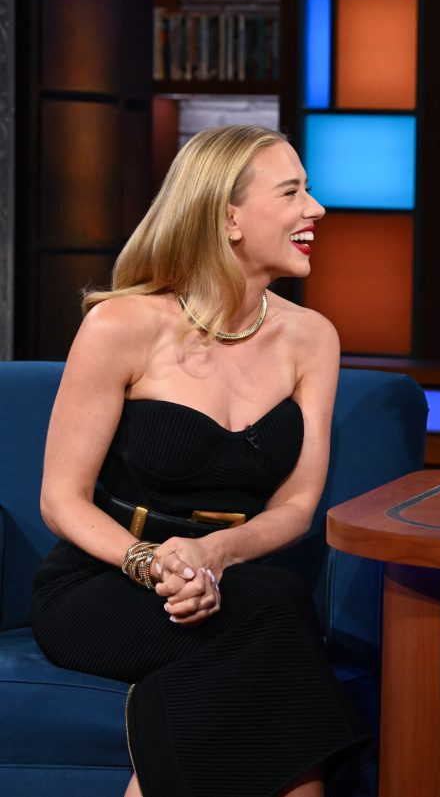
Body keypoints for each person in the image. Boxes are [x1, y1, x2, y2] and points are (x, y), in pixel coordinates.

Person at [30, 125, 366, 796]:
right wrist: (152, 561)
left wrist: (214, 554)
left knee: (268, 611)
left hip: (228, 579)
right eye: (291, 192)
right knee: (278, 612)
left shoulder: (312, 339)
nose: (316, 208)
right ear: (229, 218)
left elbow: (297, 506)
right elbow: (60, 499)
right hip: (104, 580)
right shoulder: (122, 326)